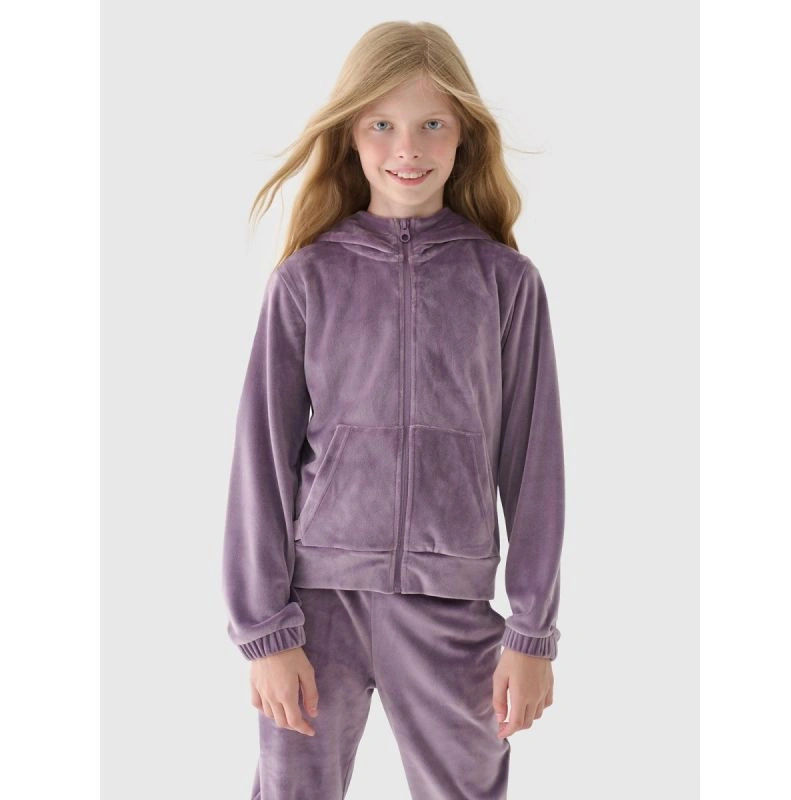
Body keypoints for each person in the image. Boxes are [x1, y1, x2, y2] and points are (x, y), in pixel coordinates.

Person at [221, 20, 566, 800]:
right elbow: (260, 459)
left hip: (451, 610)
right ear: (350, 134)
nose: (406, 147)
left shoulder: (506, 283)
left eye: (431, 123)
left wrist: (532, 631)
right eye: (381, 124)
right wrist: (264, 631)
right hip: (317, 609)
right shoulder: (306, 280)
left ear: (464, 135)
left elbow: (535, 464)